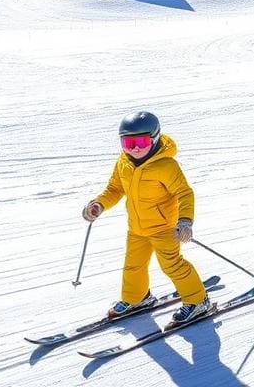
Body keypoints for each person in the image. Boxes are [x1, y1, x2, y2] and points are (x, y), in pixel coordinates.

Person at [82, 111, 210, 326]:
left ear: (155, 138)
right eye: (128, 142)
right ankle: (137, 298)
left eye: (141, 141)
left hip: (165, 228)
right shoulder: (123, 163)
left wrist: (185, 221)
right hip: (136, 228)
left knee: (172, 265)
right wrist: (98, 204)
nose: (135, 148)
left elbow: (184, 193)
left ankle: (198, 301)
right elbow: (115, 188)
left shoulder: (166, 166)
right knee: (133, 265)